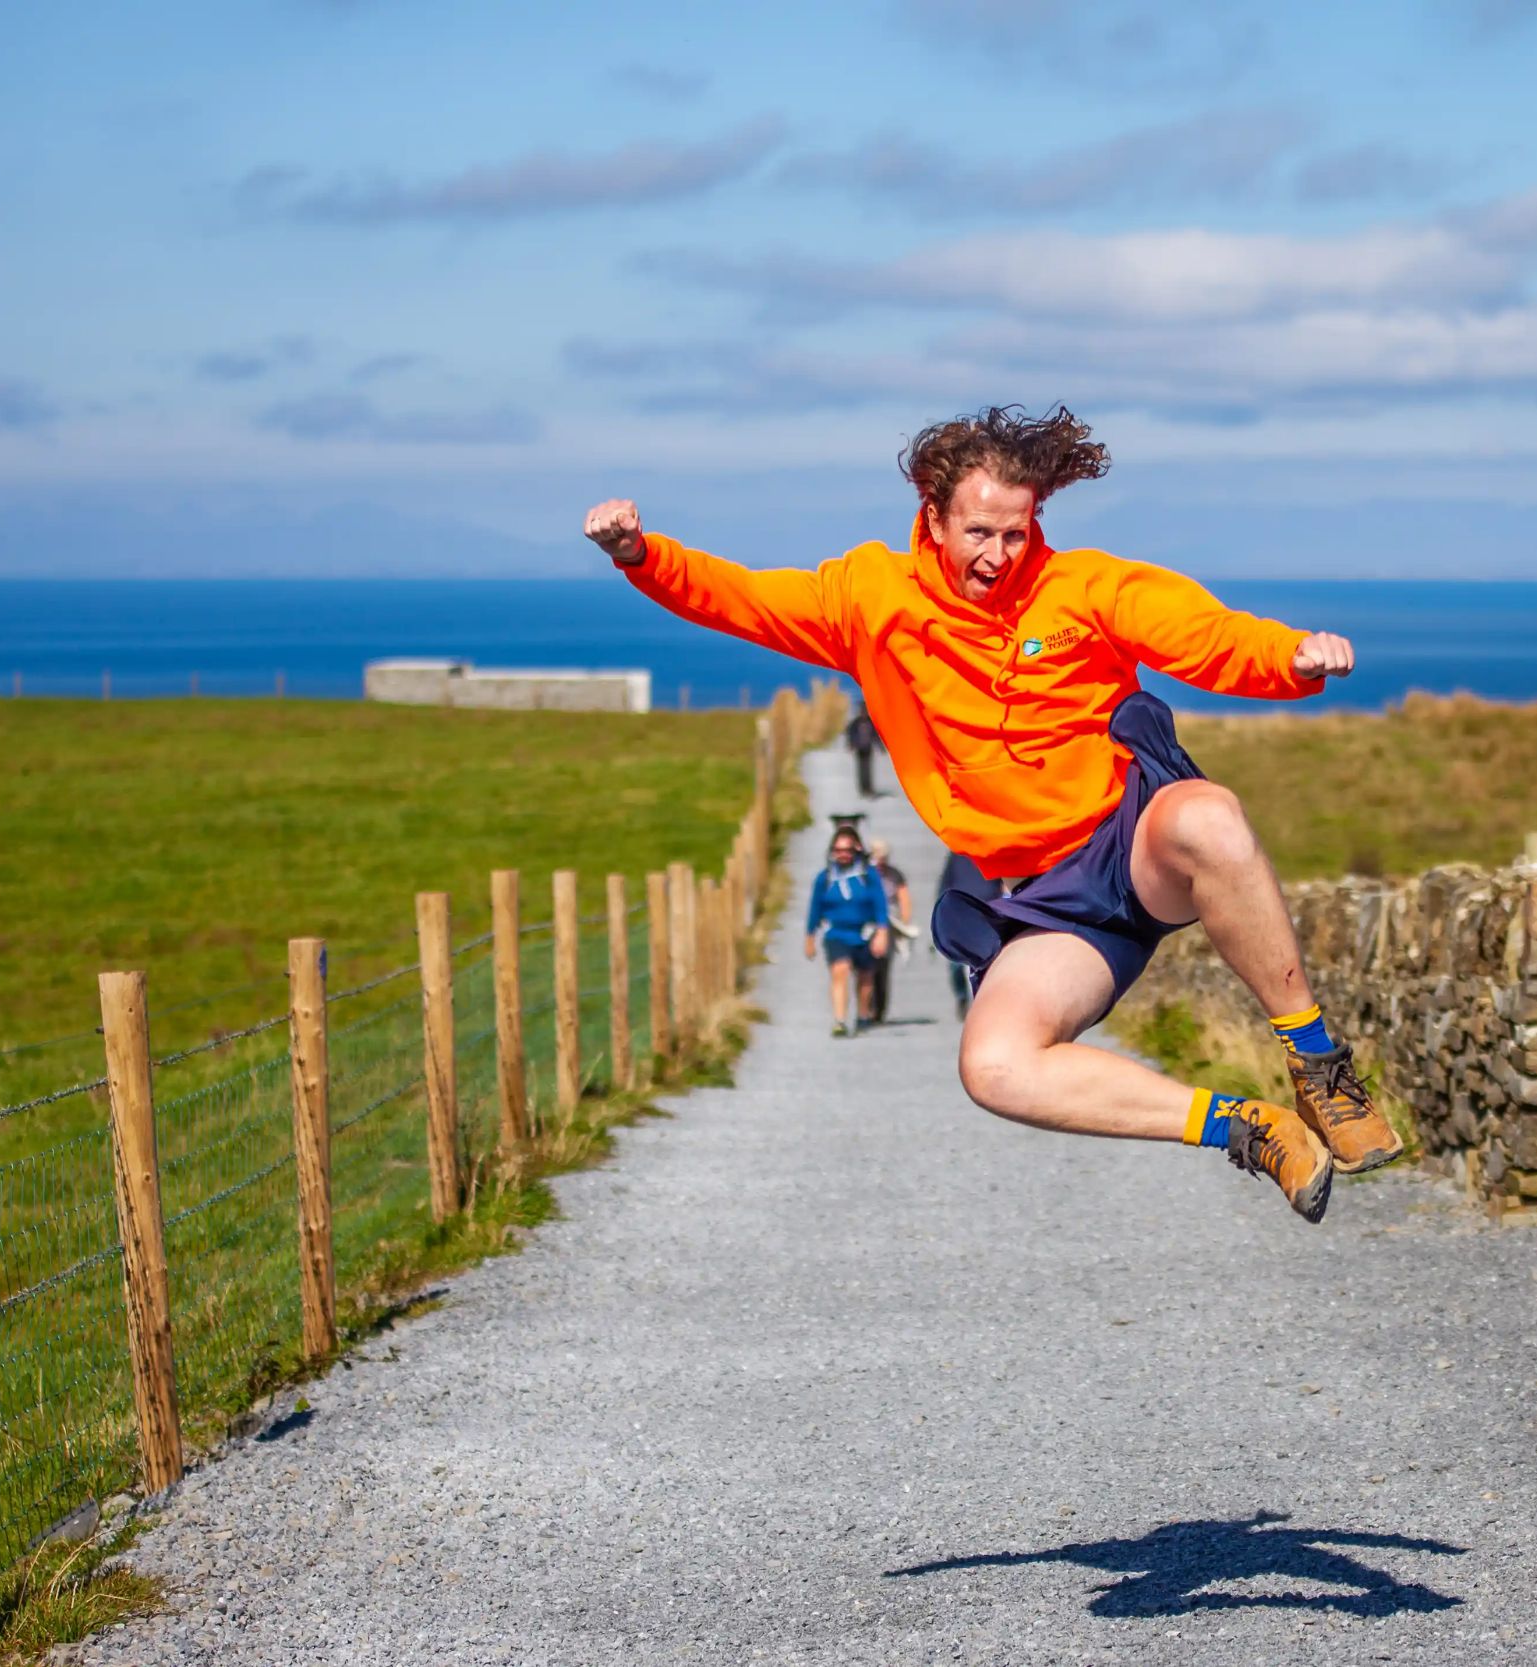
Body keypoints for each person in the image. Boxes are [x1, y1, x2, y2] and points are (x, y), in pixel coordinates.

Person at [586, 404, 1399, 1223]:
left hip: (1129, 845)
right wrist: (641, 556)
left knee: (1210, 816)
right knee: (995, 1065)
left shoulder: (1080, 586)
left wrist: (1287, 657)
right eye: (979, 532)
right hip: (1041, 900)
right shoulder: (871, 596)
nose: (998, 556)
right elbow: (746, 600)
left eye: (1017, 533)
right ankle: (1248, 1126)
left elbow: (1197, 631)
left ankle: (1319, 1063)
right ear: (931, 515)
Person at [803, 826, 889, 1038]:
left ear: (856, 850)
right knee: (840, 971)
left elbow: (880, 904)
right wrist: (810, 937)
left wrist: (882, 931)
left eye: (847, 850)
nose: (843, 854)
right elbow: (815, 908)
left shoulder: (868, 876)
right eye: (838, 850)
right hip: (837, 934)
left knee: (865, 977)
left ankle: (862, 1015)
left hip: (864, 933)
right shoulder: (825, 878)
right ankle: (840, 1020)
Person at [936, 849, 1001, 1021]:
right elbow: (946, 881)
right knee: (956, 963)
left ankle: (981, 1002)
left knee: (987, 959)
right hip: (959, 910)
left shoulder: (993, 850)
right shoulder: (957, 854)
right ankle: (961, 996)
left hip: (988, 911)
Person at [863, 838, 912, 1025]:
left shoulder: (895, 875)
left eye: (884, 857)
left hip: (889, 922)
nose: (881, 861)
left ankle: (879, 1009)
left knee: (882, 967)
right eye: (877, 857)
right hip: (867, 922)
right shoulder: (865, 874)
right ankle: (865, 1008)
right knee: (865, 967)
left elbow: (903, 898)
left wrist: (905, 923)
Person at [845, 702, 882, 799]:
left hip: (868, 748)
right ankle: (862, 789)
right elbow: (851, 734)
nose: (863, 713)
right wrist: (851, 745)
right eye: (862, 711)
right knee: (861, 769)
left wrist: (880, 747)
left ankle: (868, 788)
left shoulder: (871, 723)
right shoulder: (855, 723)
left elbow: (875, 736)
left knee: (868, 769)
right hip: (859, 748)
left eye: (865, 711)